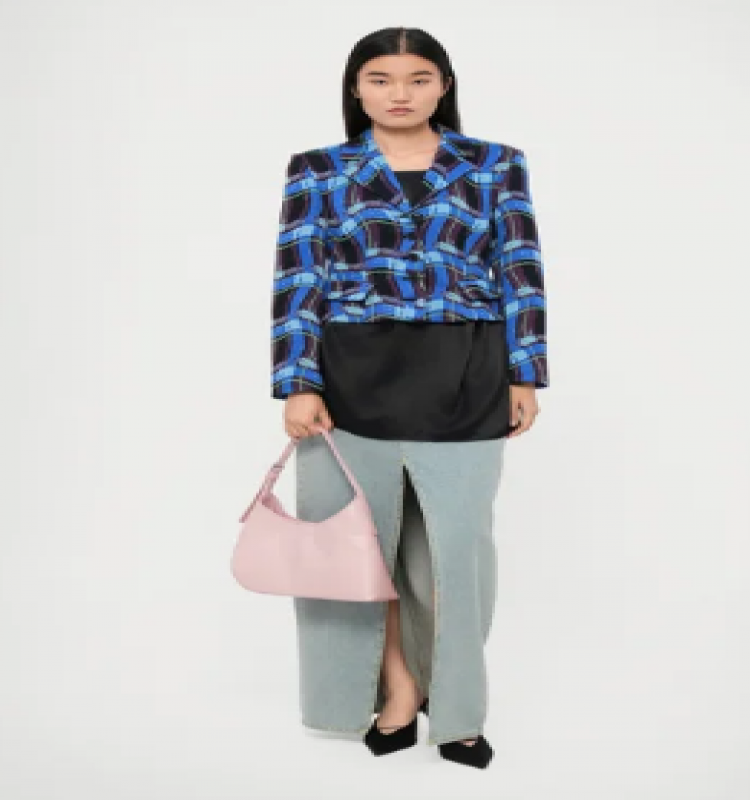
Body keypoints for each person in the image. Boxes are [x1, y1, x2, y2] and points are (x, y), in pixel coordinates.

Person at [270, 26, 548, 769]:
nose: (400, 94)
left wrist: (525, 373)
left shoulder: (495, 164)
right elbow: (299, 276)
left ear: (443, 85)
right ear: (356, 88)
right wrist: (297, 383)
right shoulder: (318, 169)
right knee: (364, 549)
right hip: (351, 376)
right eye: (381, 79)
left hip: (467, 370)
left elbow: (520, 267)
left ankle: (458, 708)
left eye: (418, 79)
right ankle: (398, 690)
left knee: (458, 553)